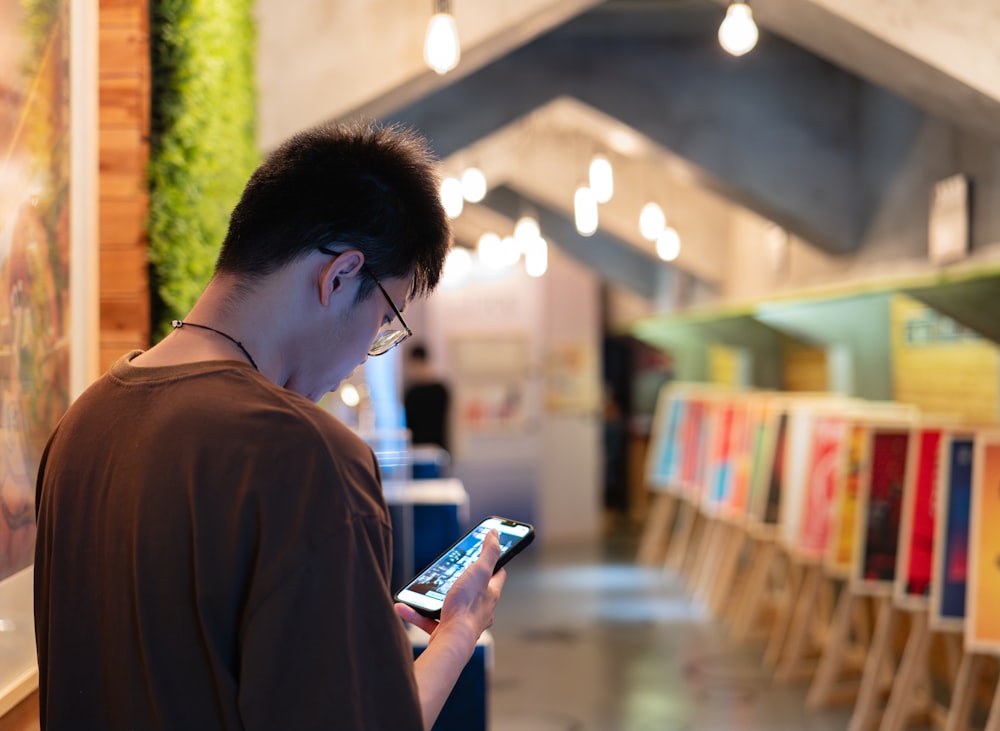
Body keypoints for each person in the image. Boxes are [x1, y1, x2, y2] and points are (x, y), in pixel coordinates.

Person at [33, 120, 507, 730]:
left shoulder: (83, 422)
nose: (365, 355)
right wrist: (459, 631)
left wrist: (354, 638)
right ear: (338, 277)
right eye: (385, 323)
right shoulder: (306, 453)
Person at [403, 343, 451, 452]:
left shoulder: (413, 392)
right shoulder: (441, 389)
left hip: (422, 451)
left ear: (417, 361)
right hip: (438, 449)